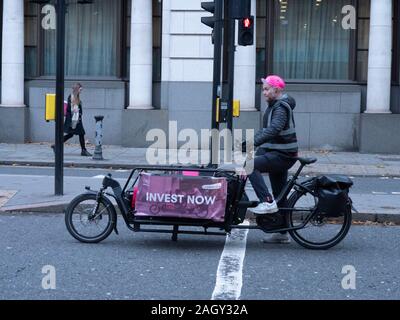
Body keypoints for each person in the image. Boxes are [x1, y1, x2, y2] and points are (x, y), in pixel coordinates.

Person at [243, 75, 298, 244]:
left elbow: (273, 130)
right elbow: (266, 131)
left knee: (250, 166)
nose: (264, 92)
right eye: (264, 89)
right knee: (280, 194)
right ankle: (282, 233)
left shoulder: (280, 107)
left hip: (282, 155)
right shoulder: (274, 106)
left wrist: (251, 143)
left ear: (277, 90)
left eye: (267, 89)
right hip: (280, 153)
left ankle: (266, 202)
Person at [51, 83, 92, 156]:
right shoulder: (73, 97)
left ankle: (56, 145)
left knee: (71, 134)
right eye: (80, 89)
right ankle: (83, 150)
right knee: (81, 134)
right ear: (77, 89)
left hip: (74, 119)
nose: (81, 91)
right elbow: (73, 110)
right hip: (74, 120)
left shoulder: (75, 96)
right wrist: (76, 121)